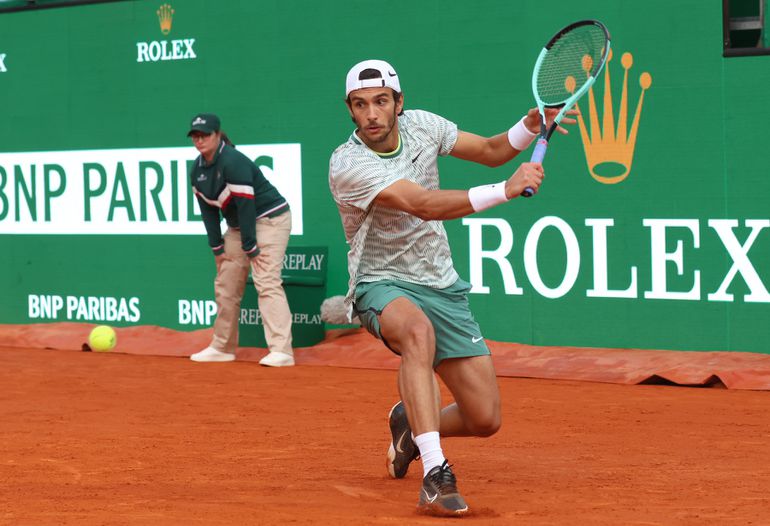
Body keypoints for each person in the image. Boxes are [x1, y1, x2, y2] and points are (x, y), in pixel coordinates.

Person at [328, 60, 574, 516]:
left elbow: (490, 149)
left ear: (399, 103)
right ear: (351, 111)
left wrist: (528, 126)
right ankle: (435, 474)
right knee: (417, 333)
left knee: (485, 418)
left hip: (440, 283)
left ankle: (410, 427)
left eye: (382, 101)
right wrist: (506, 189)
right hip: (380, 284)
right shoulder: (348, 164)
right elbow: (421, 205)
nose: (372, 114)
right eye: (360, 105)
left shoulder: (422, 126)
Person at [187, 113, 294, 367]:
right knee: (226, 285)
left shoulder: (233, 161)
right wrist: (217, 247)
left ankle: (282, 351)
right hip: (238, 227)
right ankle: (222, 347)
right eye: (195, 136)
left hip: (270, 220)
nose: (199, 141)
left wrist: (251, 246)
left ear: (217, 135)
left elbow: (247, 207)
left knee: (266, 281)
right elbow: (208, 211)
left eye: (204, 135)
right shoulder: (197, 170)